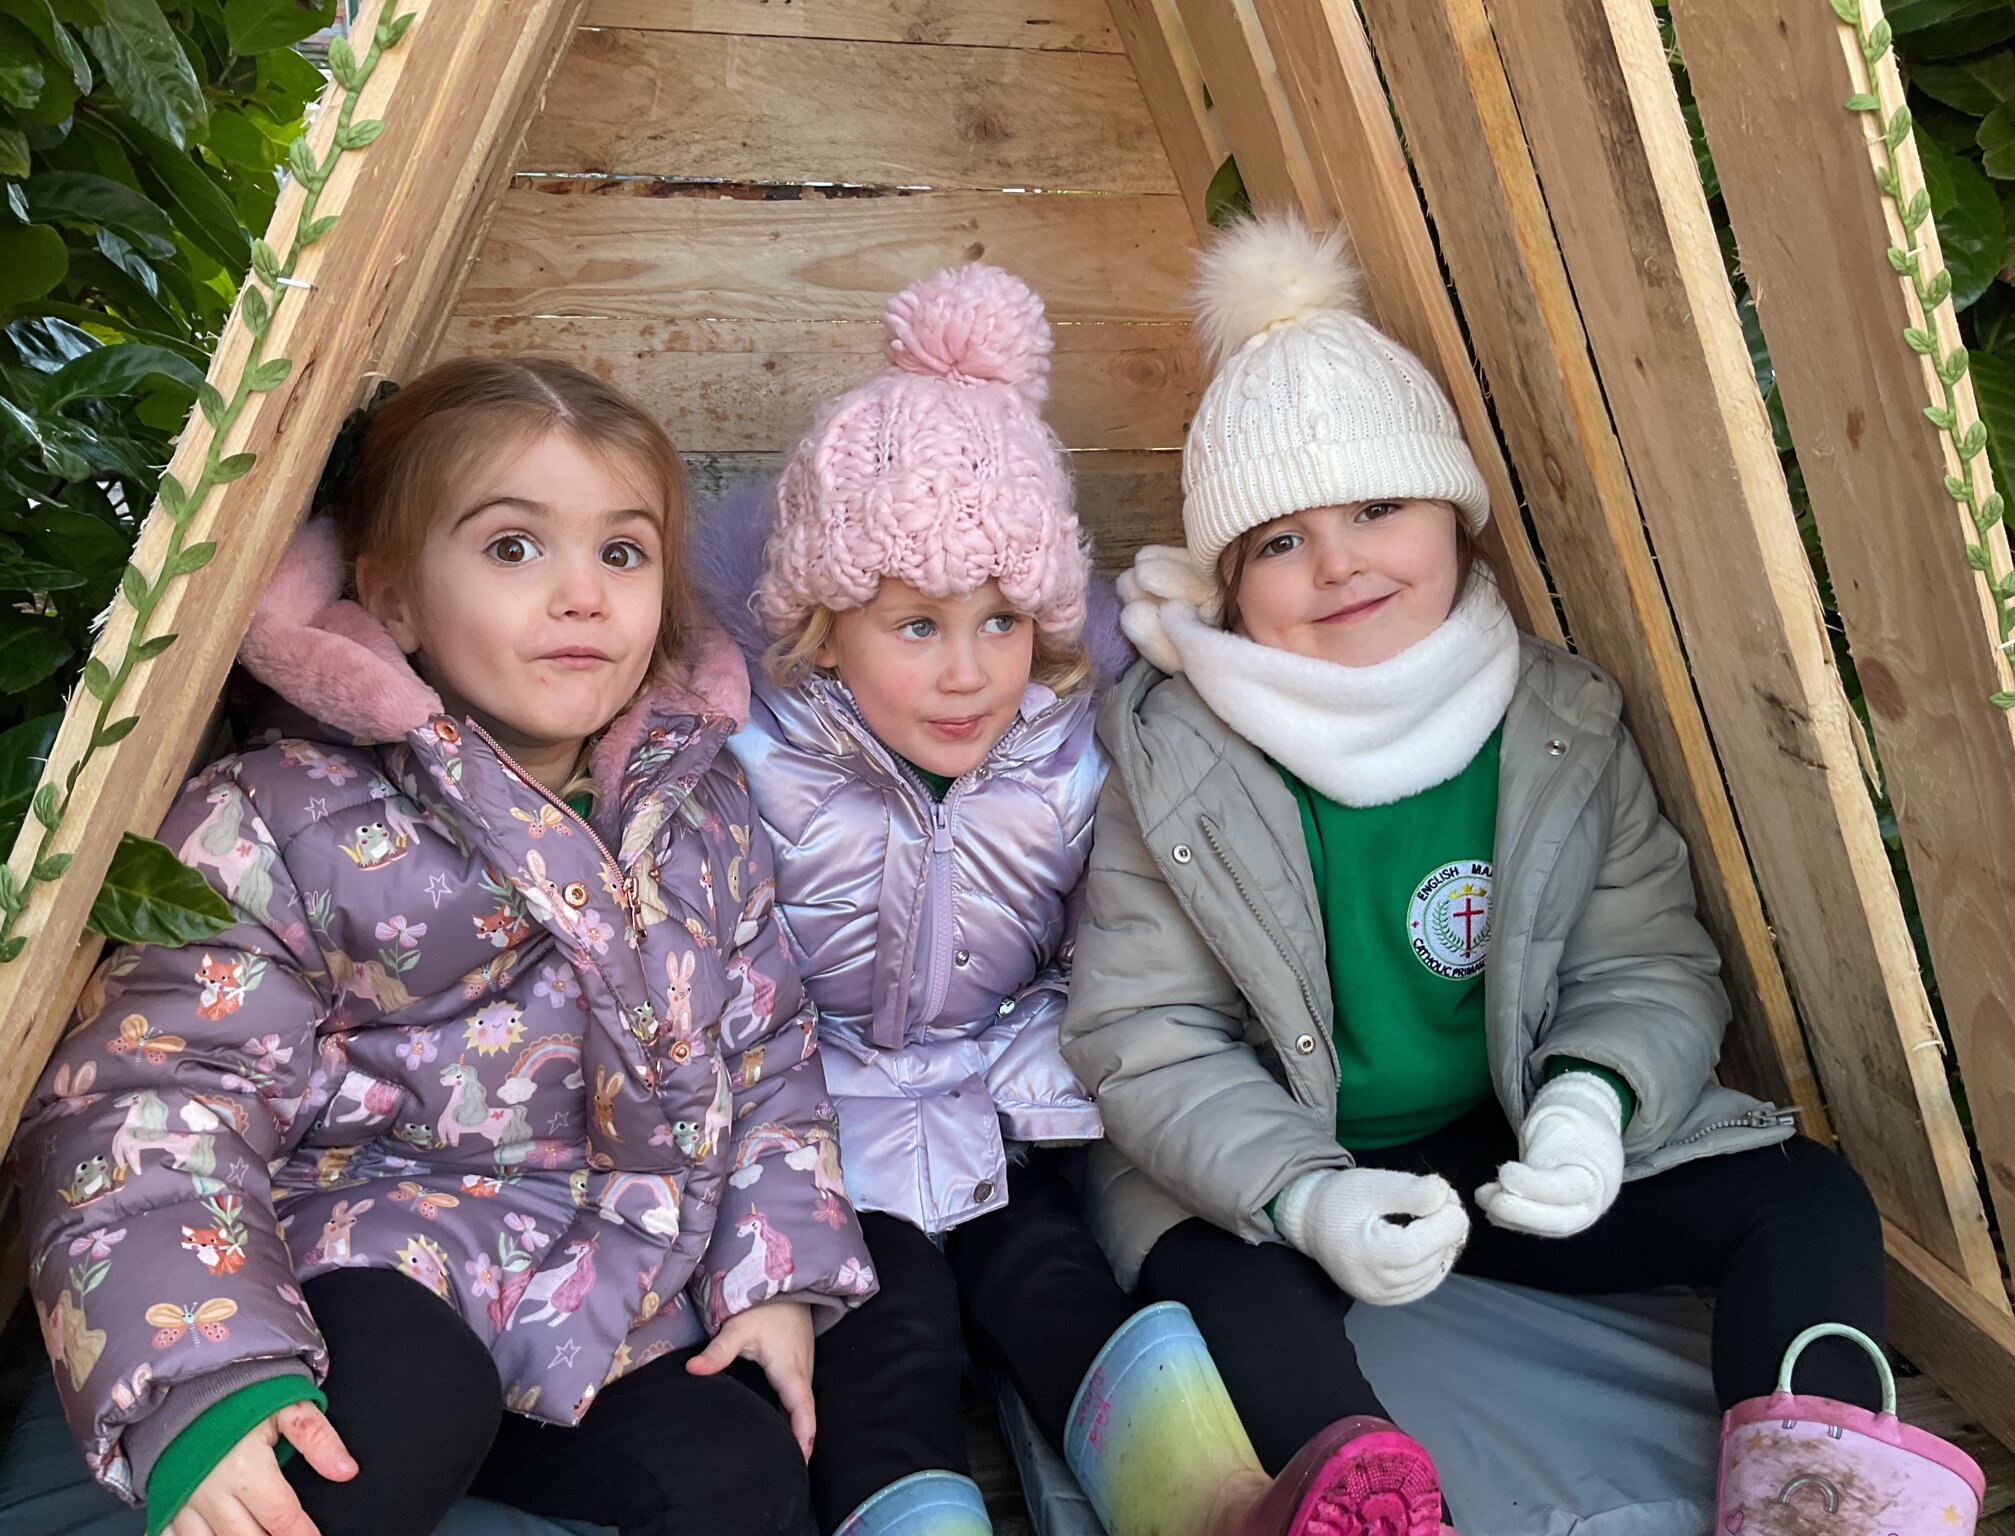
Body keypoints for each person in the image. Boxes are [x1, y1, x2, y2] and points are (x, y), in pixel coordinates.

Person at [1062, 214, 1904, 1524]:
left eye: (1377, 508)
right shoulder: (1176, 759)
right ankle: (1367, 1497)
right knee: (1212, 1291)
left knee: (1808, 1199)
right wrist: (1305, 1195)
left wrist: (1589, 1103)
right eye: (1278, 541)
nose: (1338, 562)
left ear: (1453, 518)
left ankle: (1812, 1500)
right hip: (1282, 1172)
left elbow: (1646, 961)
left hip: (1500, 1142)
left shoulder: (1558, 722)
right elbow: (1144, 1036)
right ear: (1228, 586)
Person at [11, 357, 874, 1536]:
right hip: (353, 1272)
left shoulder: (699, 811)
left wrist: (773, 1276)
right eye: (514, 547)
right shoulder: (282, 813)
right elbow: (157, 1096)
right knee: (406, 1411)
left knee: (740, 1470)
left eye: (622, 553)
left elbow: (768, 1053)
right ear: (394, 599)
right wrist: (207, 1380)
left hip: (593, 1297)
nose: (583, 595)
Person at [704, 262, 1442, 1536]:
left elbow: (1097, 954)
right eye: (916, 627)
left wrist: (1043, 1081)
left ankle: (1217, 1507)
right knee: (885, 1330)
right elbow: (726, 995)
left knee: (1057, 1289)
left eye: (1001, 623)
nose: (966, 673)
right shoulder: (753, 767)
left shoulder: (1069, 760)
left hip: (1007, 1122)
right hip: (824, 1144)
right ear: (821, 629)